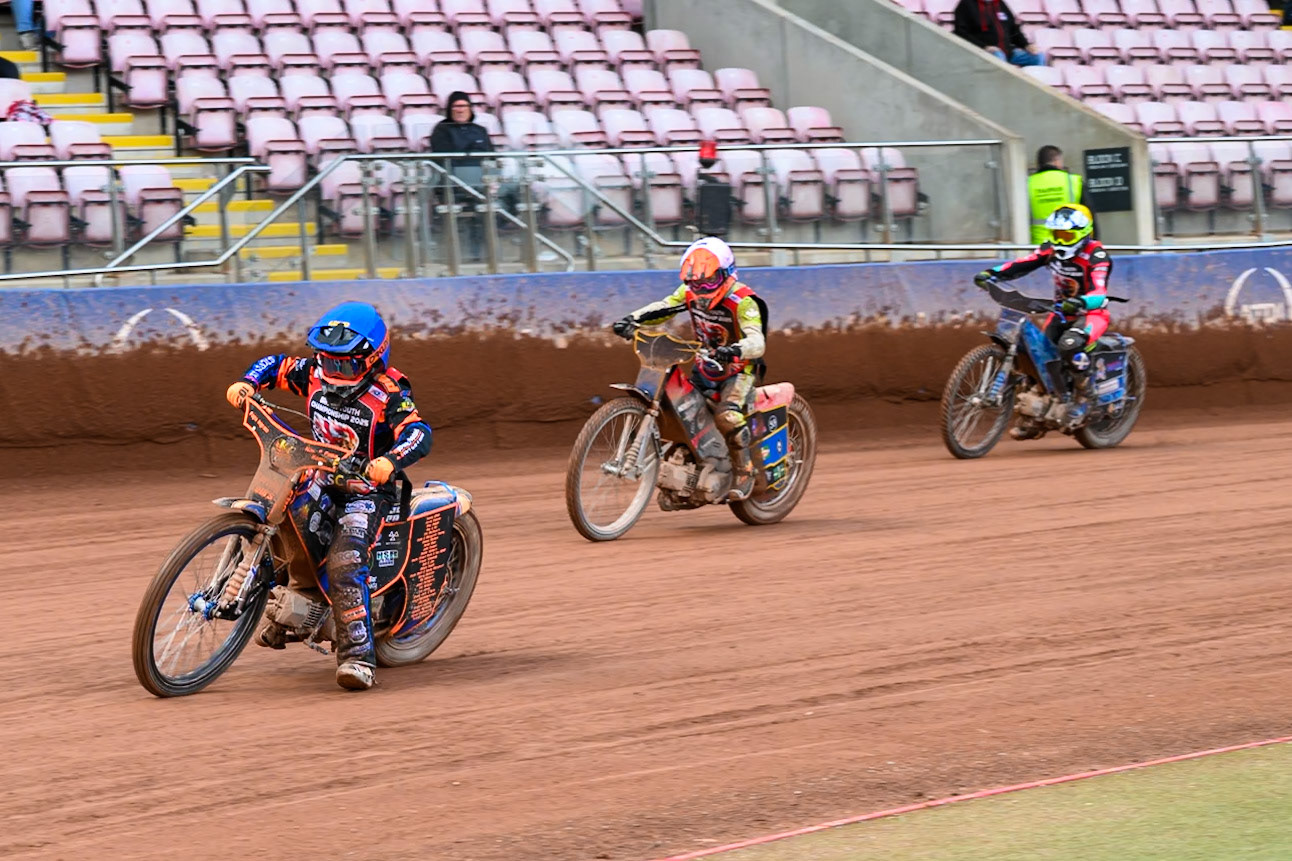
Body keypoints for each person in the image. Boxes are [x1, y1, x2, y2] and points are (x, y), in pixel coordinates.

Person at [224, 301, 432, 691]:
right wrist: (249, 382)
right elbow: (275, 365)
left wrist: (389, 460)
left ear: (371, 360)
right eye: (326, 360)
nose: (333, 372)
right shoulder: (315, 374)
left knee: (344, 559)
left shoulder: (390, 394)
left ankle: (358, 658)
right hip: (318, 472)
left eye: (345, 365)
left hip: (366, 491)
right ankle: (291, 608)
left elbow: (420, 432)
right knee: (281, 507)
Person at [611, 236, 766, 501]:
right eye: (695, 282)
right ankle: (689, 476)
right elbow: (664, 307)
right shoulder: (689, 294)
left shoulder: (743, 301)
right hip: (705, 365)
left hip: (739, 371)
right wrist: (632, 320)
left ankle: (745, 471)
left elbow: (757, 341)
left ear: (727, 274)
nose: (702, 288)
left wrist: (735, 350)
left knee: (727, 416)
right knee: (682, 414)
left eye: (708, 281)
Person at [974, 204, 1109, 435]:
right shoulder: (1051, 250)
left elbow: (1100, 291)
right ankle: (1037, 417)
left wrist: (1082, 302)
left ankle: (1085, 399)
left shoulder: (1096, 255)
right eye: (1056, 235)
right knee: (1038, 356)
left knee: (1069, 345)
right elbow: (1024, 263)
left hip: (1090, 314)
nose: (1060, 241)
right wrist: (992, 273)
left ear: (1083, 233)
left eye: (1066, 235)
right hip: (1059, 313)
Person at [429, 92, 495, 261]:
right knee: (483, 202)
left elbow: (492, 157)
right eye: (456, 106)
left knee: (520, 192)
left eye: (464, 106)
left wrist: (494, 178)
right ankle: (470, 251)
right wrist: (471, 151)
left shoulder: (480, 130)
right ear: (450, 109)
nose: (460, 110)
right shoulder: (441, 130)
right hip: (454, 182)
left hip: (483, 181)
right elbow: (445, 157)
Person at [1029, 145, 1092, 245]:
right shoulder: (1074, 181)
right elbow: (1089, 216)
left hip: (1038, 246)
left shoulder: (1028, 184)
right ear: (1056, 161)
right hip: (1070, 242)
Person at [953, 0, 1046, 67]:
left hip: (1008, 52)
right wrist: (984, 47)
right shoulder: (966, 4)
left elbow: (1014, 30)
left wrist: (1026, 45)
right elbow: (960, 33)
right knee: (998, 55)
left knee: (1037, 56)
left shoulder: (1000, 3)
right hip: (982, 53)